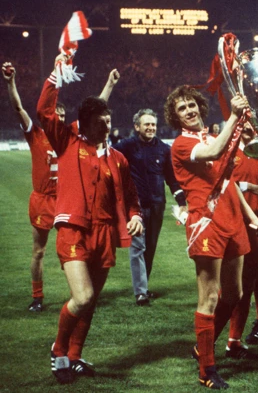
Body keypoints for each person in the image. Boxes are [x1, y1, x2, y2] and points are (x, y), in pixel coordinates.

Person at [38, 54, 143, 384]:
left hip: (105, 233)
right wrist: (56, 74)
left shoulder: (118, 158)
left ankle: (74, 355)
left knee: (91, 301)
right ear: (85, 124)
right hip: (73, 228)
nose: (107, 127)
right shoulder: (68, 140)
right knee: (81, 296)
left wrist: (136, 215)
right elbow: (44, 111)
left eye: (109, 121)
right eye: (101, 122)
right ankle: (58, 350)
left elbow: (131, 195)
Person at [165, 85, 258, 389]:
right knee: (209, 296)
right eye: (182, 108)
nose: (190, 110)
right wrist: (233, 118)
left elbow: (230, 182)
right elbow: (213, 152)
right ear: (176, 116)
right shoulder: (182, 144)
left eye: (192, 104)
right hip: (206, 222)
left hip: (233, 220)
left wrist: (251, 218)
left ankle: (203, 347)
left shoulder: (210, 136)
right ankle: (206, 368)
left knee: (233, 294)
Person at [3, 62, 119, 313]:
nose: (62, 120)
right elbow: (18, 107)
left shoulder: (71, 135)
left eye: (64, 117)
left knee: (79, 247)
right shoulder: (36, 134)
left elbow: (94, 110)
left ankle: (79, 293)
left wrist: (109, 85)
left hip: (67, 201)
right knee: (39, 250)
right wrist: (11, 83)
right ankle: (37, 296)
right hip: (43, 200)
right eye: (58, 116)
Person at [112, 109, 188, 306]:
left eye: (153, 124)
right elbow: (111, 162)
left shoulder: (164, 149)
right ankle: (141, 292)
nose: (151, 128)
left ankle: (143, 287)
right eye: (147, 124)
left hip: (157, 205)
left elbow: (172, 179)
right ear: (137, 127)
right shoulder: (125, 146)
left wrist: (181, 203)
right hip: (134, 207)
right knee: (138, 247)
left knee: (150, 248)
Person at [222, 120, 258, 356]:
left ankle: (255, 325)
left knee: (256, 274)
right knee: (233, 284)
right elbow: (223, 183)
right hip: (231, 220)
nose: (248, 125)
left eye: (251, 121)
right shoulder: (226, 150)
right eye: (243, 121)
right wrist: (251, 187)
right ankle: (231, 337)